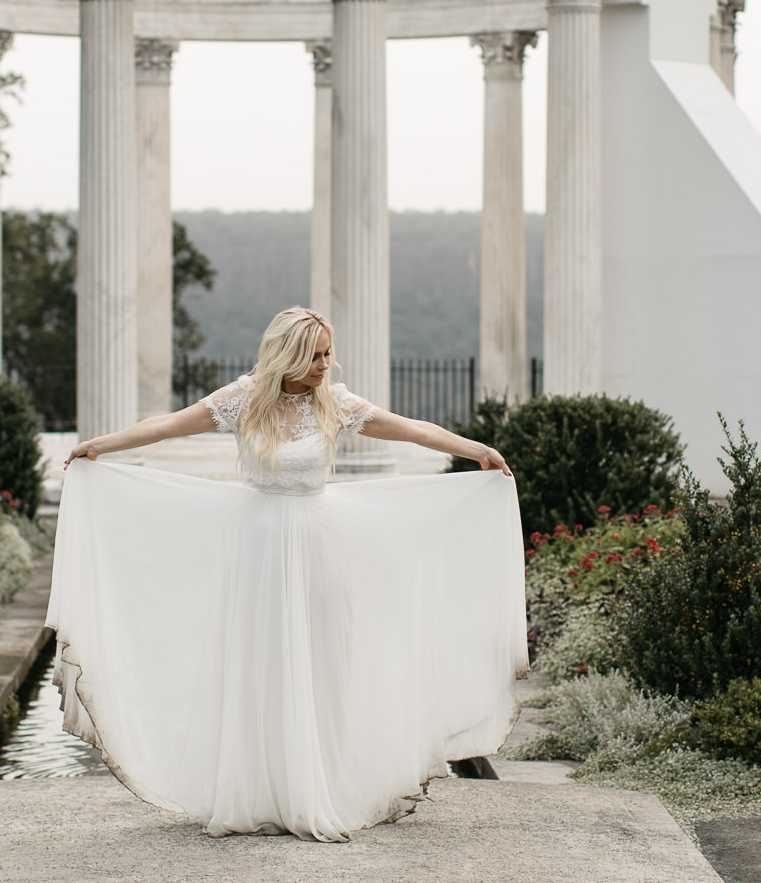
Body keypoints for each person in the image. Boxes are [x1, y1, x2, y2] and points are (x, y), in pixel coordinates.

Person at [46, 306, 528, 842]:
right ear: (289, 355)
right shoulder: (243, 399)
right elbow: (166, 426)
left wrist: (476, 451)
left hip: (322, 548)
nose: (326, 364)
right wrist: (101, 445)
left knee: (321, 665)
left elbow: (411, 430)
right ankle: (259, 791)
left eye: (328, 353)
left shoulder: (336, 405)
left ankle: (318, 789)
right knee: (261, 664)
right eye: (316, 355)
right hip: (256, 551)